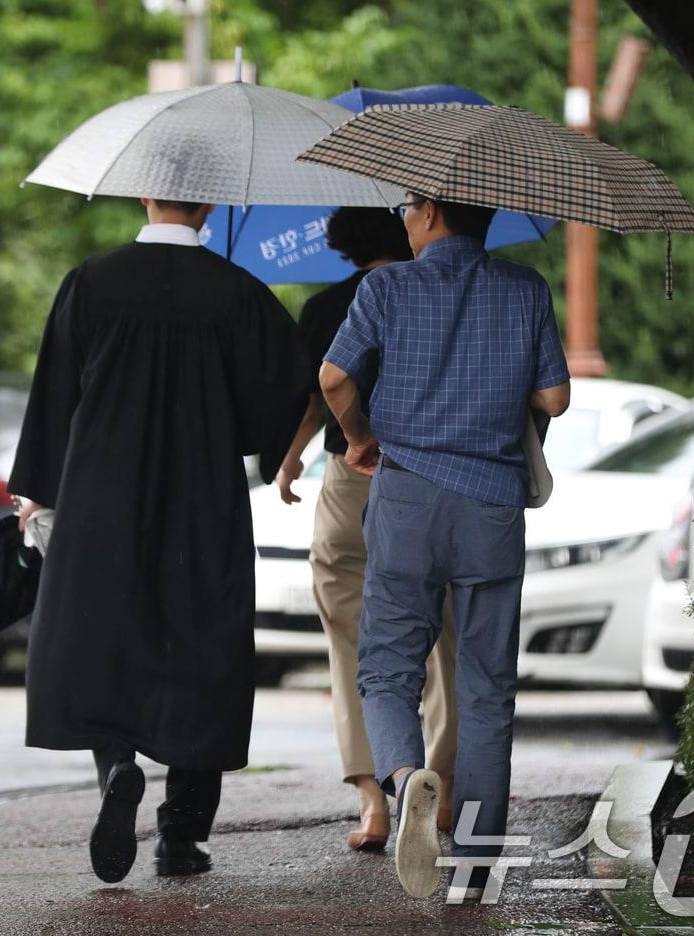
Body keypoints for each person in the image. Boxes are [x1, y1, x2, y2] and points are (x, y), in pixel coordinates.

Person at [8, 196, 310, 884]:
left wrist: (40, 493)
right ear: (208, 203)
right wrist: (232, 425)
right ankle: (182, 835)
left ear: (146, 195)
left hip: (99, 497)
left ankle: (118, 767)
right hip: (202, 498)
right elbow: (285, 387)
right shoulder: (237, 292)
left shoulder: (93, 280)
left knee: (105, 640)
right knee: (202, 650)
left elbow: (54, 392)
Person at [318, 193, 570, 900]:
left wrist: (360, 433)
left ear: (428, 213)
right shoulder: (525, 288)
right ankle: (478, 863)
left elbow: (333, 377)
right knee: (488, 688)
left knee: (388, 669)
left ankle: (406, 782)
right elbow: (555, 399)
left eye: (406, 207)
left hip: (405, 499)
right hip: (491, 506)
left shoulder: (387, 285)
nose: (401, 218)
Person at [275, 207, 458, 852]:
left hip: (348, 474)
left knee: (347, 631)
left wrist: (298, 454)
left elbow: (316, 392)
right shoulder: (431, 294)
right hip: (425, 473)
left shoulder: (328, 305)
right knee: (440, 633)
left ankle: (374, 802)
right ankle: (436, 792)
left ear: (342, 244)